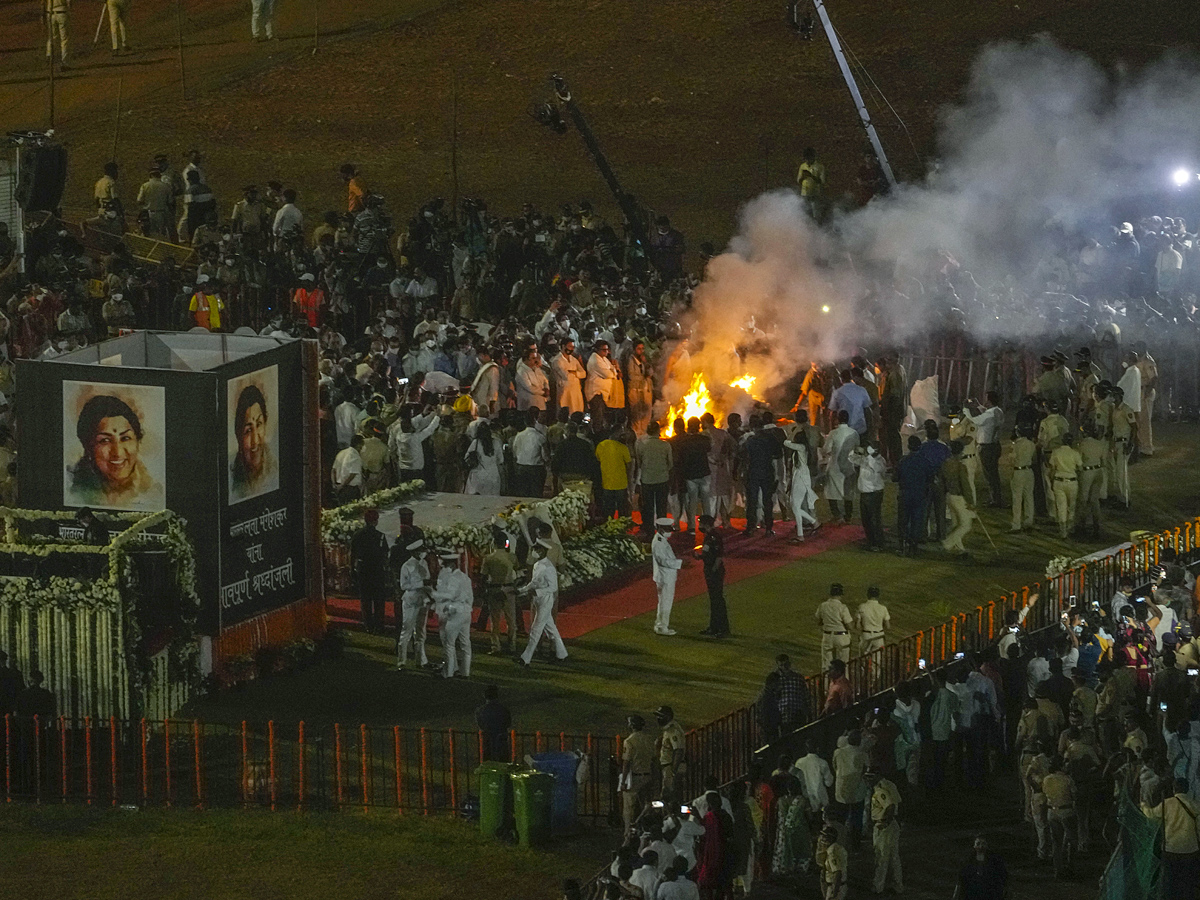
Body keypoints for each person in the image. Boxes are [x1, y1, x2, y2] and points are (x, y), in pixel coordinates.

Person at [67, 394, 164, 510]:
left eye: (125, 438)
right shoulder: (73, 491)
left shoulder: (153, 492)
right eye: (105, 440)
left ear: (138, 441)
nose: (117, 452)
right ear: (88, 446)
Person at [1142, 778, 1200, 900]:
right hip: (1191, 849)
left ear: (1174, 789)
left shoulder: (1167, 804)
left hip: (1171, 849)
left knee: (1170, 881)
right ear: (1187, 789)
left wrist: (1143, 805)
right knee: (1187, 880)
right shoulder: (1196, 805)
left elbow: (1151, 815)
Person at [517, 539, 568, 667]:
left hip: (545, 600)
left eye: (535, 549)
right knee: (551, 629)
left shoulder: (548, 567)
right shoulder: (538, 565)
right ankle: (562, 654)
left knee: (536, 629)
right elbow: (533, 582)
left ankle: (525, 658)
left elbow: (553, 588)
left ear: (541, 551)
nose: (533, 552)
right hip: (538, 600)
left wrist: (538, 592)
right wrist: (521, 590)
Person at [230, 383, 277, 501]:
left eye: (259, 424)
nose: (255, 441)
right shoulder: (230, 478)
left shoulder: (276, 471)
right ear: (238, 434)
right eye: (248, 430)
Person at [432, 550, 473, 679]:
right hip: (466, 612)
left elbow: (449, 595)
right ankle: (464, 672)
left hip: (455, 612)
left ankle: (448, 673)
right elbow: (470, 597)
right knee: (465, 644)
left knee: (449, 644)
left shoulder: (453, 578)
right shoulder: (465, 577)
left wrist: (432, 594)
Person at [350, 509, 390, 634]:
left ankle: (367, 624)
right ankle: (379, 624)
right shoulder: (380, 536)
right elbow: (385, 554)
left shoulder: (357, 535)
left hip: (363, 568)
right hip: (377, 569)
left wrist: (352, 568)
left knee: (365, 598)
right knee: (378, 598)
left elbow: (352, 553)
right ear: (376, 521)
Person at [395, 539, 432, 669]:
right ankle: (402, 661)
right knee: (407, 630)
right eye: (421, 551)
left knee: (421, 632)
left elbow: (428, 581)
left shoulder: (424, 563)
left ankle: (421, 660)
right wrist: (421, 584)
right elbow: (404, 585)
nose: (423, 553)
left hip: (423, 599)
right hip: (411, 600)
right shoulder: (406, 566)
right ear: (414, 552)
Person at [480, 532, 518, 655]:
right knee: (511, 620)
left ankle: (496, 646)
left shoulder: (488, 558)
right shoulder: (511, 557)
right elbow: (517, 569)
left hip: (494, 589)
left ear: (494, 543)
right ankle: (512, 645)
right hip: (509, 589)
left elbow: (483, 576)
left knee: (494, 620)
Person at [742, 415, 782, 534]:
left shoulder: (750, 440)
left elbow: (743, 456)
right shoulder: (771, 438)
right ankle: (768, 527)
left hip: (753, 472)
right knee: (767, 500)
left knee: (752, 501)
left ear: (752, 427)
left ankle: (751, 527)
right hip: (767, 471)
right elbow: (778, 454)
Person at [866, 767, 903, 894]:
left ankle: (878, 887)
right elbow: (898, 802)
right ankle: (898, 886)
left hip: (884, 825)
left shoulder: (880, 789)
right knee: (894, 857)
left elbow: (891, 805)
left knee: (881, 857)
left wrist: (885, 822)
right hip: (893, 824)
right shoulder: (890, 784)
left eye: (870, 777)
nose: (868, 780)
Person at [620, 714, 656, 836]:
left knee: (629, 808)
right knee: (646, 805)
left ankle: (628, 833)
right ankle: (645, 829)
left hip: (634, 777)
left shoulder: (629, 741)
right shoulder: (649, 739)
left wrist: (623, 781)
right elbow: (654, 758)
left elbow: (626, 762)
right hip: (647, 774)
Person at [966, 392, 1004, 507]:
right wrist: (977, 404)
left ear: (990, 401)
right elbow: (985, 413)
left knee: (989, 475)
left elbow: (975, 420)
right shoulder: (998, 411)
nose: (984, 401)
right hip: (995, 445)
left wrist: (966, 410)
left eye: (986, 399)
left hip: (987, 447)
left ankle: (995, 500)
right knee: (994, 474)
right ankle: (997, 498)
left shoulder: (989, 414)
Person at [822, 410, 859, 523]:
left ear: (837, 419)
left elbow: (826, 449)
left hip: (835, 466)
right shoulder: (854, 433)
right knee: (848, 492)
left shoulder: (833, 433)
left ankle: (837, 514)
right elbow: (857, 449)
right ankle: (848, 515)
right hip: (849, 466)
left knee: (831, 492)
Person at [636, 422, 672, 535]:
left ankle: (649, 530)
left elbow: (639, 462)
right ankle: (662, 529)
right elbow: (670, 464)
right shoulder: (665, 445)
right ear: (658, 431)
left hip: (647, 480)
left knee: (648, 506)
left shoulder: (641, 445)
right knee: (662, 506)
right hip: (662, 479)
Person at [850, 441, 887, 550]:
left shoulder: (880, 461)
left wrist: (868, 455)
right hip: (865, 494)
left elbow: (876, 467)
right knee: (866, 520)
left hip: (874, 494)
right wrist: (856, 451)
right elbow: (851, 458)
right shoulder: (866, 459)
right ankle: (871, 541)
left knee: (874, 519)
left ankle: (878, 543)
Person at [941, 440, 974, 556]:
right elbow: (965, 485)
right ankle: (948, 542)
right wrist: (970, 502)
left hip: (949, 495)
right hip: (958, 497)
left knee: (956, 524)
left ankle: (959, 548)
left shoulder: (945, 464)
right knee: (966, 524)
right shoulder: (960, 466)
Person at [697, 516, 729, 637]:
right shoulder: (708, 536)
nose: (700, 526)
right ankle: (714, 627)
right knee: (713, 600)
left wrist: (714, 570)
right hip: (709, 569)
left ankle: (723, 629)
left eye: (701, 524)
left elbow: (719, 556)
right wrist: (700, 557)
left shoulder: (715, 536)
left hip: (714, 571)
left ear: (706, 524)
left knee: (718, 600)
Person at [651, 517, 683, 636]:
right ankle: (662, 627)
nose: (669, 531)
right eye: (667, 529)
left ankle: (661, 624)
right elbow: (662, 561)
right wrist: (680, 563)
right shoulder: (658, 542)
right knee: (665, 602)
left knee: (664, 602)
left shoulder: (661, 540)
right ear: (660, 528)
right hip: (665, 577)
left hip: (665, 577)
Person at [1048, 432, 1082, 539]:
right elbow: (1080, 468)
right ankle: (1070, 527)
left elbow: (1052, 468)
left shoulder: (1056, 452)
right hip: (1072, 482)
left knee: (1061, 506)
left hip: (1059, 480)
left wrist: (1051, 480)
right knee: (1071, 506)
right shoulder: (1075, 453)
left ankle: (1063, 531)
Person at [595, 429, 632, 519]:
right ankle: (621, 526)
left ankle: (609, 526)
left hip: (606, 482)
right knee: (621, 508)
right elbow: (629, 465)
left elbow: (598, 459)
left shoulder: (601, 445)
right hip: (621, 483)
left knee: (608, 508)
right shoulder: (623, 447)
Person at [512, 409, 549, 497]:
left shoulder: (518, 435)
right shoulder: (540, 437)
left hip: (521, 467)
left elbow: (514, 452)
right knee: (536, 495)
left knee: (523, 494)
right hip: (536, 469)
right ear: (534, 421)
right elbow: (545, 456)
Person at [815, 583, 853, 668]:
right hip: (841, 636)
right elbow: (849, 626)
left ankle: (826, 681)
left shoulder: (823, 605)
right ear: (840, 594)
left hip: (827, 636)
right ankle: (842, 681)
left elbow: (819, 622)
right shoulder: (842, 607)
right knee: (843, 664)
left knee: (826, 664)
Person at [1008, 424, 1037, 533]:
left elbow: (1011, 460)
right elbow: (1034, 459)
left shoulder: (1015, 445)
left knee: (1017, 498)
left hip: (1018, 471)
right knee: (1029, 497)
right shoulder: (1031, 444)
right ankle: (1029, 521)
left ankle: (1016, 524)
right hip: (1029, 471)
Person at [464, 421, 504, 495]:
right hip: (493, 475)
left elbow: (466, 457)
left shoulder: (475, 443)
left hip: (477, 476)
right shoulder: (496, 442)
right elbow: (500, 460)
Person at [476, 684, 513, 762]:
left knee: (488, 761)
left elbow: (480, 724)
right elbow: (508, 723)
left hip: (487, 740)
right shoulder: (503, 709)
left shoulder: (480, 711)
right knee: (503, 761)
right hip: (501, 739)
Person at [656, 705, 686, 797]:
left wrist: (673, 771)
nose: (658, 718)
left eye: (660, 716)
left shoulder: (673, 730)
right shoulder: (669, 729)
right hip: (670, 766)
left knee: (668, 795)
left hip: (670, 766)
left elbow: (679, 750)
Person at [550, 340, 586, 415]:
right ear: (563, 346)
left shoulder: (574, 359)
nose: (571, 349)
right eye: (569, 346)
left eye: (573, 347)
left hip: (576, 390)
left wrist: (574, 372)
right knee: (566, 412)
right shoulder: (557, 360)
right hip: (565, 390)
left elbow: (583, 374)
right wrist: (576, 374)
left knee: (578, 411)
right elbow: (565, 375)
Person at [855, 586, 890, 658]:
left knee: (863, 660)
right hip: (879, 636)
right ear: (878, 596)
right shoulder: (883, 608)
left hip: (866, 635)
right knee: (877, 661)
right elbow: (888, 626)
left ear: (868, 595)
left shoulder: (862, 607)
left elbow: (857, 625)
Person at [331, 434, 364, 504]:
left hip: (338, 486)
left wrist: (334, 485)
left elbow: (333, 470)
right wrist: (342, 486)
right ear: (359, 445)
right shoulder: (355, 456)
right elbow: (352, 474)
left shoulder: (341, 453)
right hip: (350, 489)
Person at [796, 147, 827, 219]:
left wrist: (811, 176)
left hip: (815, 194)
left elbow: (822, 181)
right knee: (805, 214)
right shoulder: (802, 166)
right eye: (806, 158)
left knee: (816, 214)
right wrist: (803, 177)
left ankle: (816, 227)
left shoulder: (820, 167)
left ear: (813, 157)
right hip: (804, 194)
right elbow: (799, 181)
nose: (807, 160)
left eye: (809, 158)